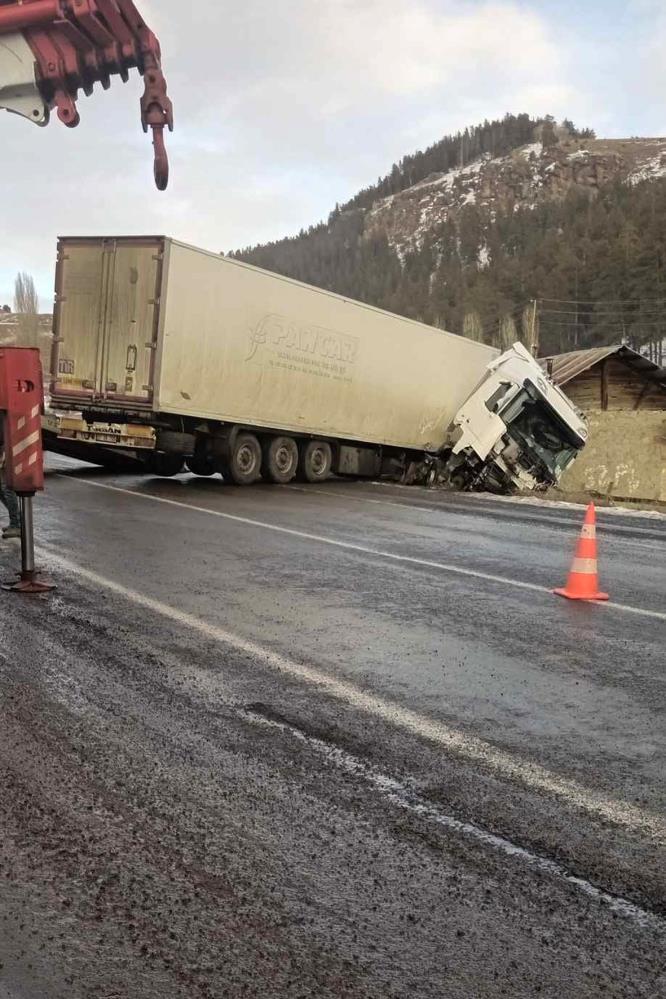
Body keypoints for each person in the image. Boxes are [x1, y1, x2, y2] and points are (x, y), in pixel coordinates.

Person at [0, 424, 21, 539]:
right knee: (1, 488)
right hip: (4, 447)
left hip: (5, 447)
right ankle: (18, 520)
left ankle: (16, 524)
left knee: (6, 487)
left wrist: (4, 450)